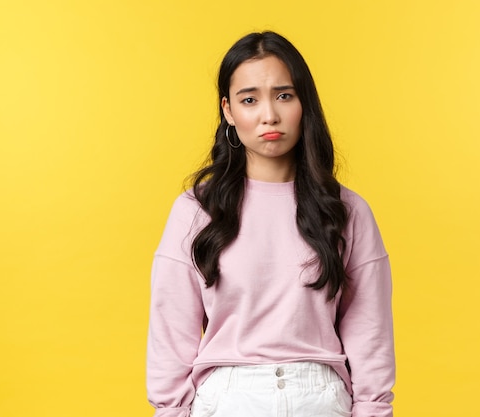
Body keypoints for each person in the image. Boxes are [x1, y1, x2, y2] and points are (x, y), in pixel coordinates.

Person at [147, 31, 395, 417]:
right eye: (250, 100)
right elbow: (170, 335)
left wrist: (373, 409)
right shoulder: (196, 211)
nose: (269, 115)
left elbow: (370, 334)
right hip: (228, 398)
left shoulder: (347, 210)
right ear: (229, 111)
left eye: (284, 96)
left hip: (321, 398)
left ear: (303, 103)